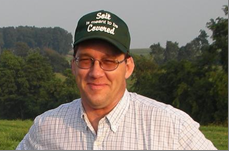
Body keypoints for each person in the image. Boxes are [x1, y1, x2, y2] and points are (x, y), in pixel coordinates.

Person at [16, 10, 217, 150]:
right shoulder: (46, 127)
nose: (96, 72)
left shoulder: (173, 128)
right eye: (86, 60)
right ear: (73, 66)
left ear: (128, 67)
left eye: (109, 61)